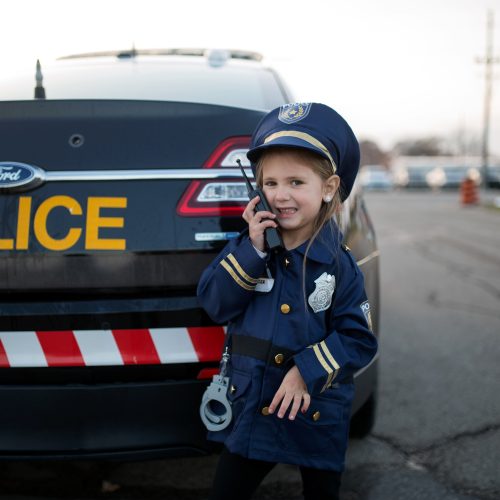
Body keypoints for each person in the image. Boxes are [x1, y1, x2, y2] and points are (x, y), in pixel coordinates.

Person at [197, 102, 378, 500]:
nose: (281, 195)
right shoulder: (249, 249)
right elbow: (214, 303)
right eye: (271, 183)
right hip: (253, 407)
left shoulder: (340, 267)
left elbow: (358, 339)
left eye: (296, 182)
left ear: (328, 188)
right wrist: (253, 252)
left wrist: (306, 370)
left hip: (317, 410)